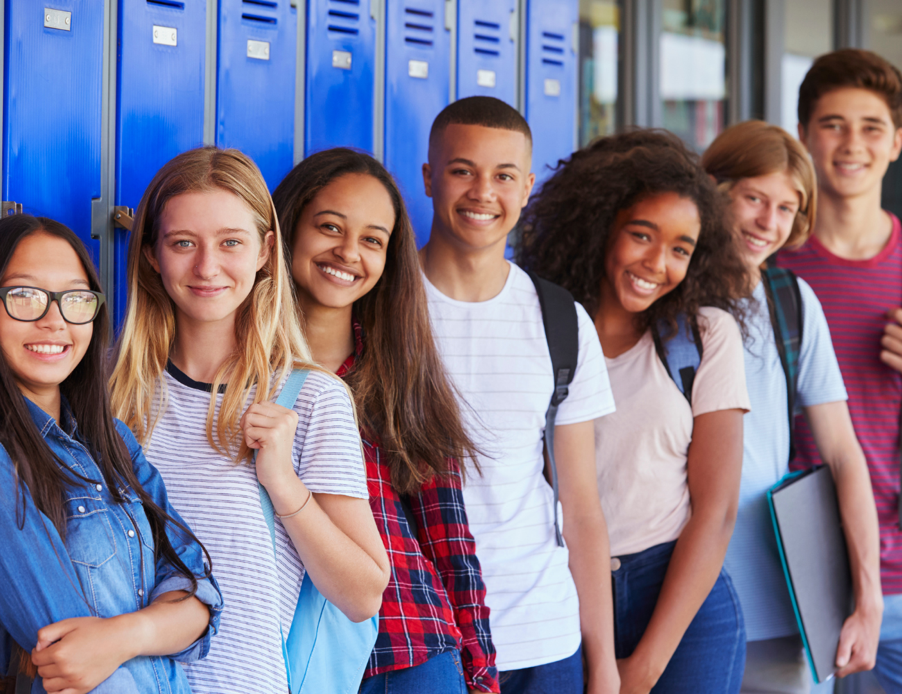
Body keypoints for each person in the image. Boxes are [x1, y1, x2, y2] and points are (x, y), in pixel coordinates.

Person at [109, 147, 390, 694]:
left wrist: (282, 484)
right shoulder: (109, 393)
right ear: (150, 253)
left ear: (265, 252)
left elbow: (362, 595)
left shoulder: (311, 399)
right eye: (183, 243)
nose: (207, 267)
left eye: (230, 243)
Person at [518, 129, 750, 693]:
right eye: (641, 235)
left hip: (676, 601)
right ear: (600, 228)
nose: (657, 263)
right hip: (560, 590)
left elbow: (715, 513)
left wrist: (645, 666)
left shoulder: (703, 336)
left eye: (680, 248)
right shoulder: (539, 325)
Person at [272, 147, 498, 693]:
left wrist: (482, 675)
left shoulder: (400, 375)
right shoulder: (238, 374)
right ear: (286, 230)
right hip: (283, 657)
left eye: (373, 240)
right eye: (329, 227)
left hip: (407, 652)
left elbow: (449, 540)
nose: (348, 252)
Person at [418, 96, 619, 694]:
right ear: (430, 176)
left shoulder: (560, 318)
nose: (484, 192)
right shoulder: (381, 307)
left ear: (527, 186)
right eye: (462, 171)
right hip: (424, 641)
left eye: (503, 176)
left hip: (544, 640)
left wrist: (602, 662)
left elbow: (580, 507)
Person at [0, 214, 222, 694]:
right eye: (23, 295)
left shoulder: (113, 441)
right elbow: (67, 653)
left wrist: (124, 635)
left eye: (76, 298)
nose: (54, 319)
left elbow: (200, 593)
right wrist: (157, 628)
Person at [701, 120, 882, 692]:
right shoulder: (665, 292)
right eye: (753, 198)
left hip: (782, 595)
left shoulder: (792, 302)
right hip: (681, 596)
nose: (768, 223)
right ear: (713, 190)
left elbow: (844, 456)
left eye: (786, 208)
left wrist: (867, 597)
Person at [775, 49, 902, 692]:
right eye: (833, 124)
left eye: (872, 126)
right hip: (792, 570)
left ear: (897, 141)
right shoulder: (770, 266)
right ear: (804, 136)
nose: (852, 144)